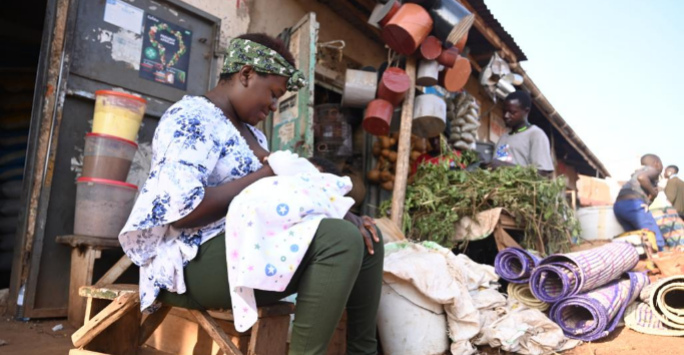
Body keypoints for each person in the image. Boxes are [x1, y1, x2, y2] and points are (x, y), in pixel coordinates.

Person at [119, 33, 383, 355]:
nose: (273, 106)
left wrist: (339, 210)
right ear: (246, 74)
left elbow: (271, 198)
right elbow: (185, 211)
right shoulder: (192, 118)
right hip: (189, 263)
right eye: (273, 94)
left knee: (368, 237)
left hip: (241, 247)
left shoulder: (252, 133)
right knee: (338, 240)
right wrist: (266, 173)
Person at [491, 91, 554, 176]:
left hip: (521, 189)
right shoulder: (504, 138)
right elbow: (499, 163)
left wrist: (504, 166)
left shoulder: (535, 135)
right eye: (504, 111)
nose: (506, 115)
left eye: (512, 112)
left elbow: (542, 173)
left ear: (526, 111)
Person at [613, 154, 666, 250]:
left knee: (635, 241)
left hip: (619, 206)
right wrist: (653, 191)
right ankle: (662, 259)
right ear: (657, 163)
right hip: (633, 204)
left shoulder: (637, 173)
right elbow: (642, 178)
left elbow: (648, 196)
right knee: (655, 240)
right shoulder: (653, 170)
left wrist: (650, 198)